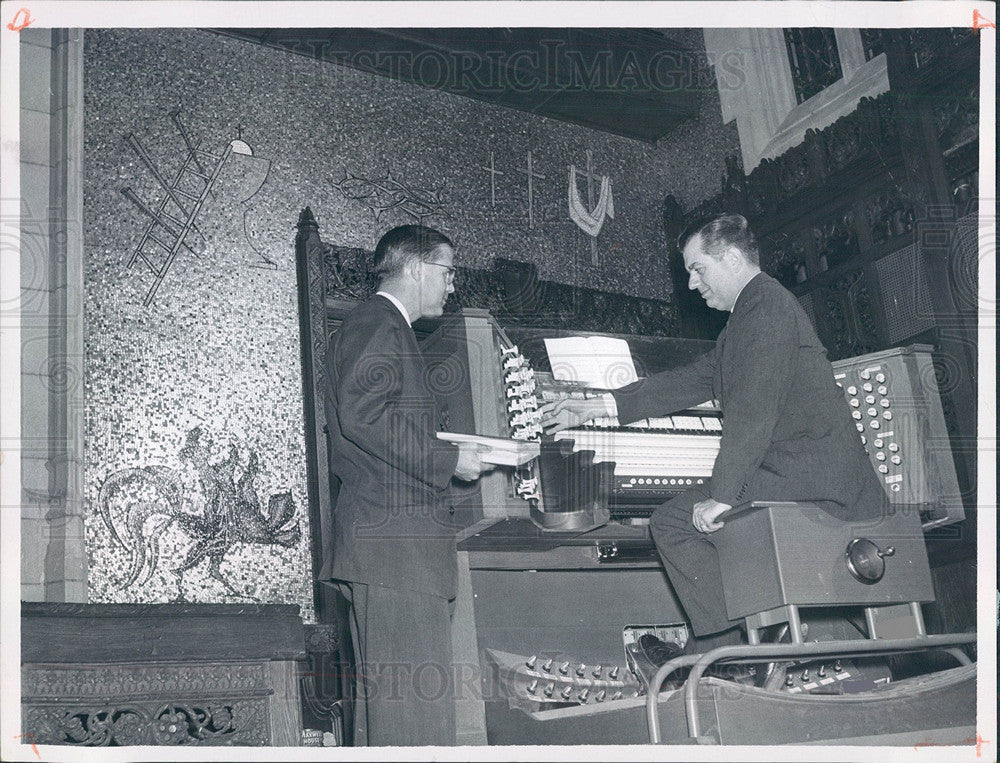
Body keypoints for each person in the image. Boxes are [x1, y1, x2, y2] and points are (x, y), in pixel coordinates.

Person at [539, 213, 886, 663]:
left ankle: (725, 655)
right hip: (802, 472)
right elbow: (692, 379)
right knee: (697, 518)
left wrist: (723, 495)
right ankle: (735, 642)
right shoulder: (752, 313)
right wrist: (600, 405)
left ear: (734, 258)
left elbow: (752, 413)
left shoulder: (763, 308)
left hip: (811, 481)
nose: (690, 284)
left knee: (673, 522)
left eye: (697, 268)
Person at [320, 224, 489, 746]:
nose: (452, 284)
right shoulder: (379, 323)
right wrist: (448, 458)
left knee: (391, 725)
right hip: (396, 551)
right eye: (447, 271)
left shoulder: (380, 326)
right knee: (414, 726)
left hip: (391, 550)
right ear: (416, 268)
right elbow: (364, 416)